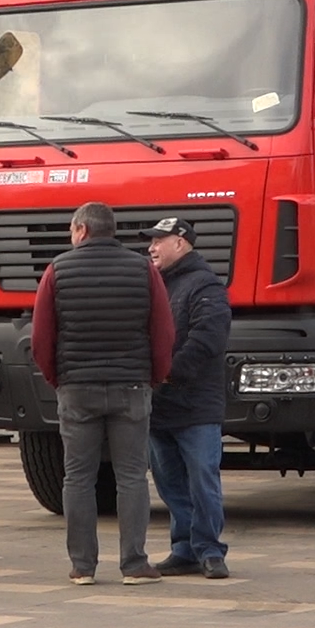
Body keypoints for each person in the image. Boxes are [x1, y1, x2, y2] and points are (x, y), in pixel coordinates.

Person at [31, 202, 174, 586]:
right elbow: (162, 331)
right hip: (131, 387)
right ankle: (134, 564)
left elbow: (41, 337)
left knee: (78, 477)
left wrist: (57, 379)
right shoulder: (143, 270)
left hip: (77, 388)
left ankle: (82, 566)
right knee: (131, 476)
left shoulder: (57, 271)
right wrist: (154, 377)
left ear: (81, 230)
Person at [140, 217, 232, 580]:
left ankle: (210, 550)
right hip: (160, 406)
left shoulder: (204, 286)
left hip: (195, 407)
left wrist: (166, 373)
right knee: (170, 482)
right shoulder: (153, 286)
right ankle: (184, 549)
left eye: (158, 241)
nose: (151, 248)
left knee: (202, 479)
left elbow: (208, 339)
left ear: (181, 243)